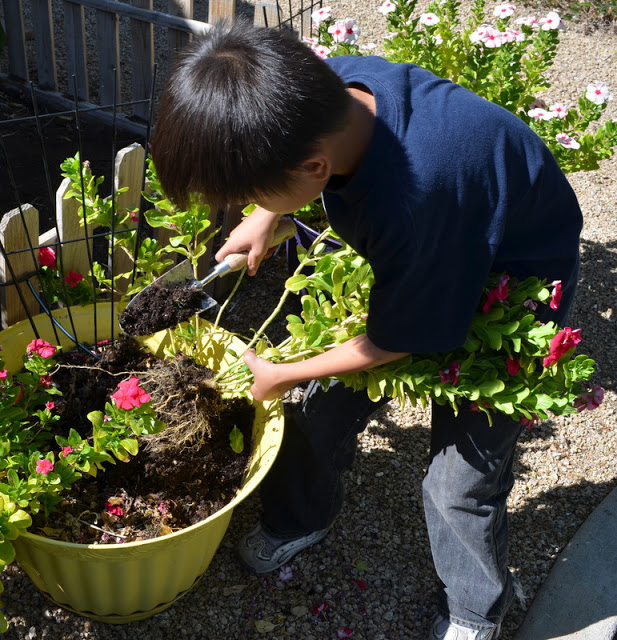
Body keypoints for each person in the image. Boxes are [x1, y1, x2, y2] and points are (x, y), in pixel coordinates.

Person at [150, 19, 582, 640]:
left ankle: (474, 609)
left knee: (459, 481)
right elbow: (304, 175)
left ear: (314, 166)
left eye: (248, 190)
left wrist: (283, 372)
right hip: (435, 252)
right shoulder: (331, 89)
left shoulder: (418, 198)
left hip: (513, 279)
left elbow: (400, 337)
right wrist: (265, 214)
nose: (244, 202)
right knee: (317, 411)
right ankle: (302, 517)